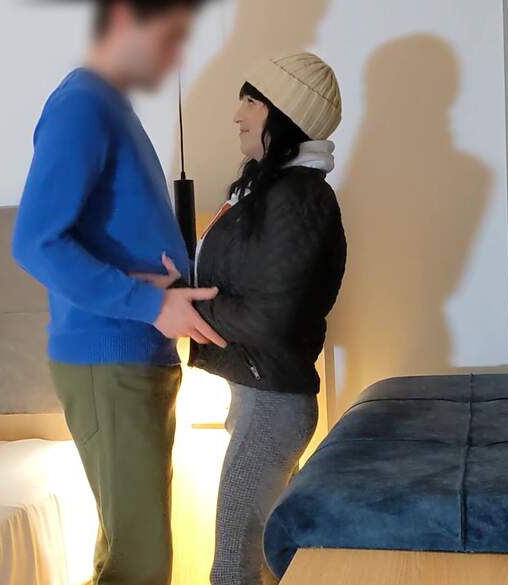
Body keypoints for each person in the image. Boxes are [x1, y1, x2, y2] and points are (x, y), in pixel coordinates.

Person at [12, 1, 224, 583]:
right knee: (139, 565)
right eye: (170, 37)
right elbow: (34, 242)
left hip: (131, 354)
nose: (175, 56)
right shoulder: (82, 105)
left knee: (130, 555)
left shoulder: (107, 105)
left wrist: (171, 281)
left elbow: (115, 232)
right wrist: (150, 302)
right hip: (110, 356)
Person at [188, 53, 347, 585]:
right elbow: (247, 285)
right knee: (260, 567)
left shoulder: (299, 197)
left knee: (232, 572)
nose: (238, 114)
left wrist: (186, 311)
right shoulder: (269, 191)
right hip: (259, 398)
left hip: (271, 406)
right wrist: (179, 287)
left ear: (285, 113)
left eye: (252, 101)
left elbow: (270, 318)